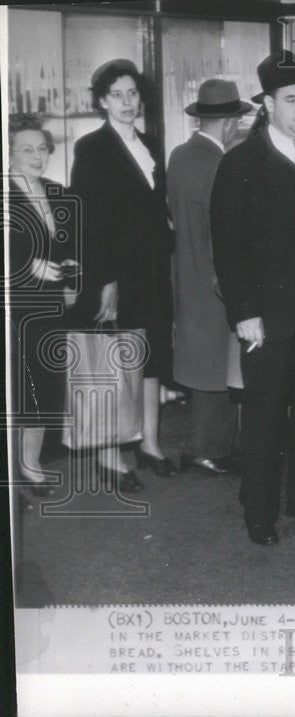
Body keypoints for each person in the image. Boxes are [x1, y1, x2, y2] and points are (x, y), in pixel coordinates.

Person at [211, 51, 295, 546]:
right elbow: (227, 246)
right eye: (292, 100)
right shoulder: (241, 162)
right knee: (265, 416)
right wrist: (244, 313)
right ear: (267, 104)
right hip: (265, 316)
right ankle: (259, 512)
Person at [69, 59, 175, 491]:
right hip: (113, 271)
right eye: (118, 94)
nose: (128, 102)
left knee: (151, 359)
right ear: (101, 101)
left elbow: (153, 206)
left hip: (150, 269)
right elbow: (89, 219)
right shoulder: (92, 147)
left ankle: (149, 444)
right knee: (114, 364)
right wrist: (105, 281)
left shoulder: (149, 142)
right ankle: (110, 456)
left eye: (133, 93)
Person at [167, 79, 252, 475]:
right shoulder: (221, 164)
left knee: (202, 367)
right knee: (219, 368)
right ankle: (208, 449)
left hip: (186, 269)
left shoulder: (180, 156)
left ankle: (204, 445)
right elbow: (226, 229)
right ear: (230, 122)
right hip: (216, 276)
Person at [6, 114, 81, 502]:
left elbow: (68, 246)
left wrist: (72, 270)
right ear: (9, 153)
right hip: (14, 310)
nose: (36, 156)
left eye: (41, 149)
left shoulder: (55, 191)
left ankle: (30, 466)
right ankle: (15, 476)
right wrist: (28, 266)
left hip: (50, 306)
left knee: (43, 388)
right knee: (17, 392)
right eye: (26, 149)